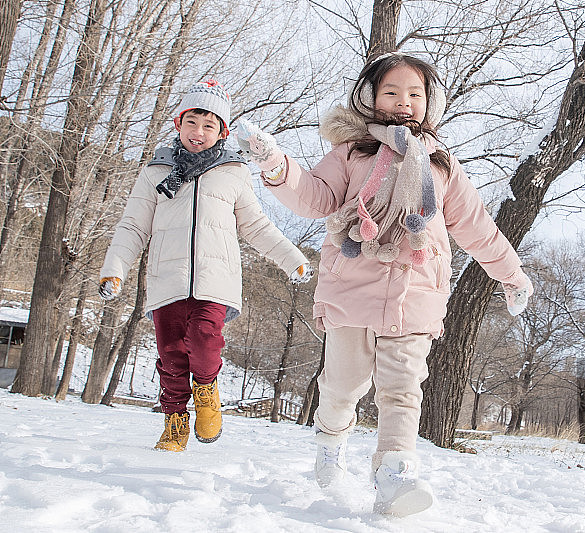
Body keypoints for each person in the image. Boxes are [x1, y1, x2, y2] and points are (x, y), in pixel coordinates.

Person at [237, 53, 532, 516]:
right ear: (370, 97)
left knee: (402, 388)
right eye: (391, 92)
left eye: (414, 93)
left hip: (415, 292)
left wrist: (511, 274)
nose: (403, 102)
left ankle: (395, 476)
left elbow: (477, 227)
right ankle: (330, 440)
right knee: (343, 386)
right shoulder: (352, 152)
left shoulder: (441, 164)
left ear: (430, 103)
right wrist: (277, 165)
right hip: (352, 288)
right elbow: (315, 198)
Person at [98, 79, 312, 452]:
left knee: (203, 340)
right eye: (192, 122)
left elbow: (256, 226)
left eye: (209, 125)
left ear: (222, 132)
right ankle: (175, 423)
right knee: (171, 356)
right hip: (166, 278)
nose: (199, 132)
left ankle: (207, 391)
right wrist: (114, 269)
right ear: (178, 124)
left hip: (216, 280)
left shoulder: (234, 172)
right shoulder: (156, 171)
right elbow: (133, 226)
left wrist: (292, 259)